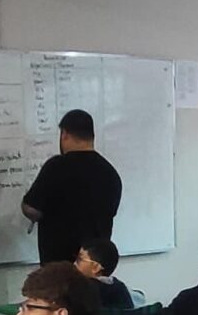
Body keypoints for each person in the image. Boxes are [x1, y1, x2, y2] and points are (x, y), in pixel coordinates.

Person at [21, 108, 123, 266]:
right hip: (94, 265)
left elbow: (31, 208)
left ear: (65, 134)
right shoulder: (110, 173)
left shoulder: (56, 167)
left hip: (58, 265)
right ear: (92, 136)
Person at [77, 238, 134, 313]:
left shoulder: (83, 290)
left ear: (96, 267)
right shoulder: (120, 287)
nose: (75, 263)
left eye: (80, 259)